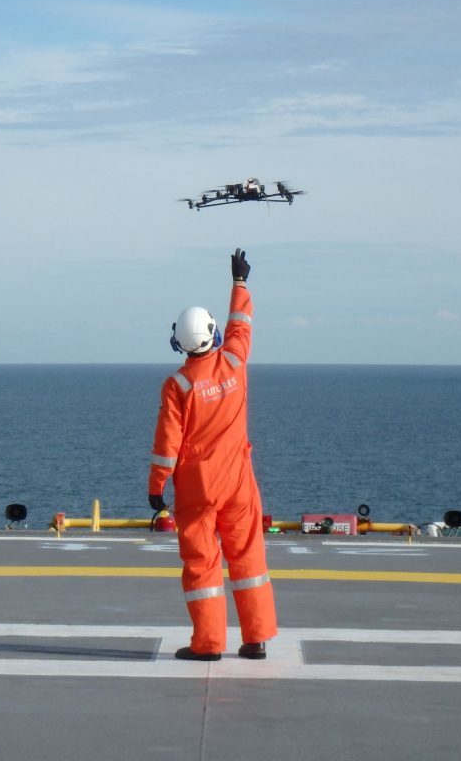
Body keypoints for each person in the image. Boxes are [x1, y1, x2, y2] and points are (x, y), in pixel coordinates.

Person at [148, 248, 278, 661]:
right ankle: (255, 639)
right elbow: (242, 325)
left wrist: (156, 489)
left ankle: (208, 644)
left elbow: (167, 442)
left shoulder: (178, 385)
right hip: (239, 481)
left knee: (203, 565)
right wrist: (240, 283)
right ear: (212, 334)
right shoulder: (235, 362)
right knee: (248, 558)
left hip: (198, 488)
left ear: (178, 342)